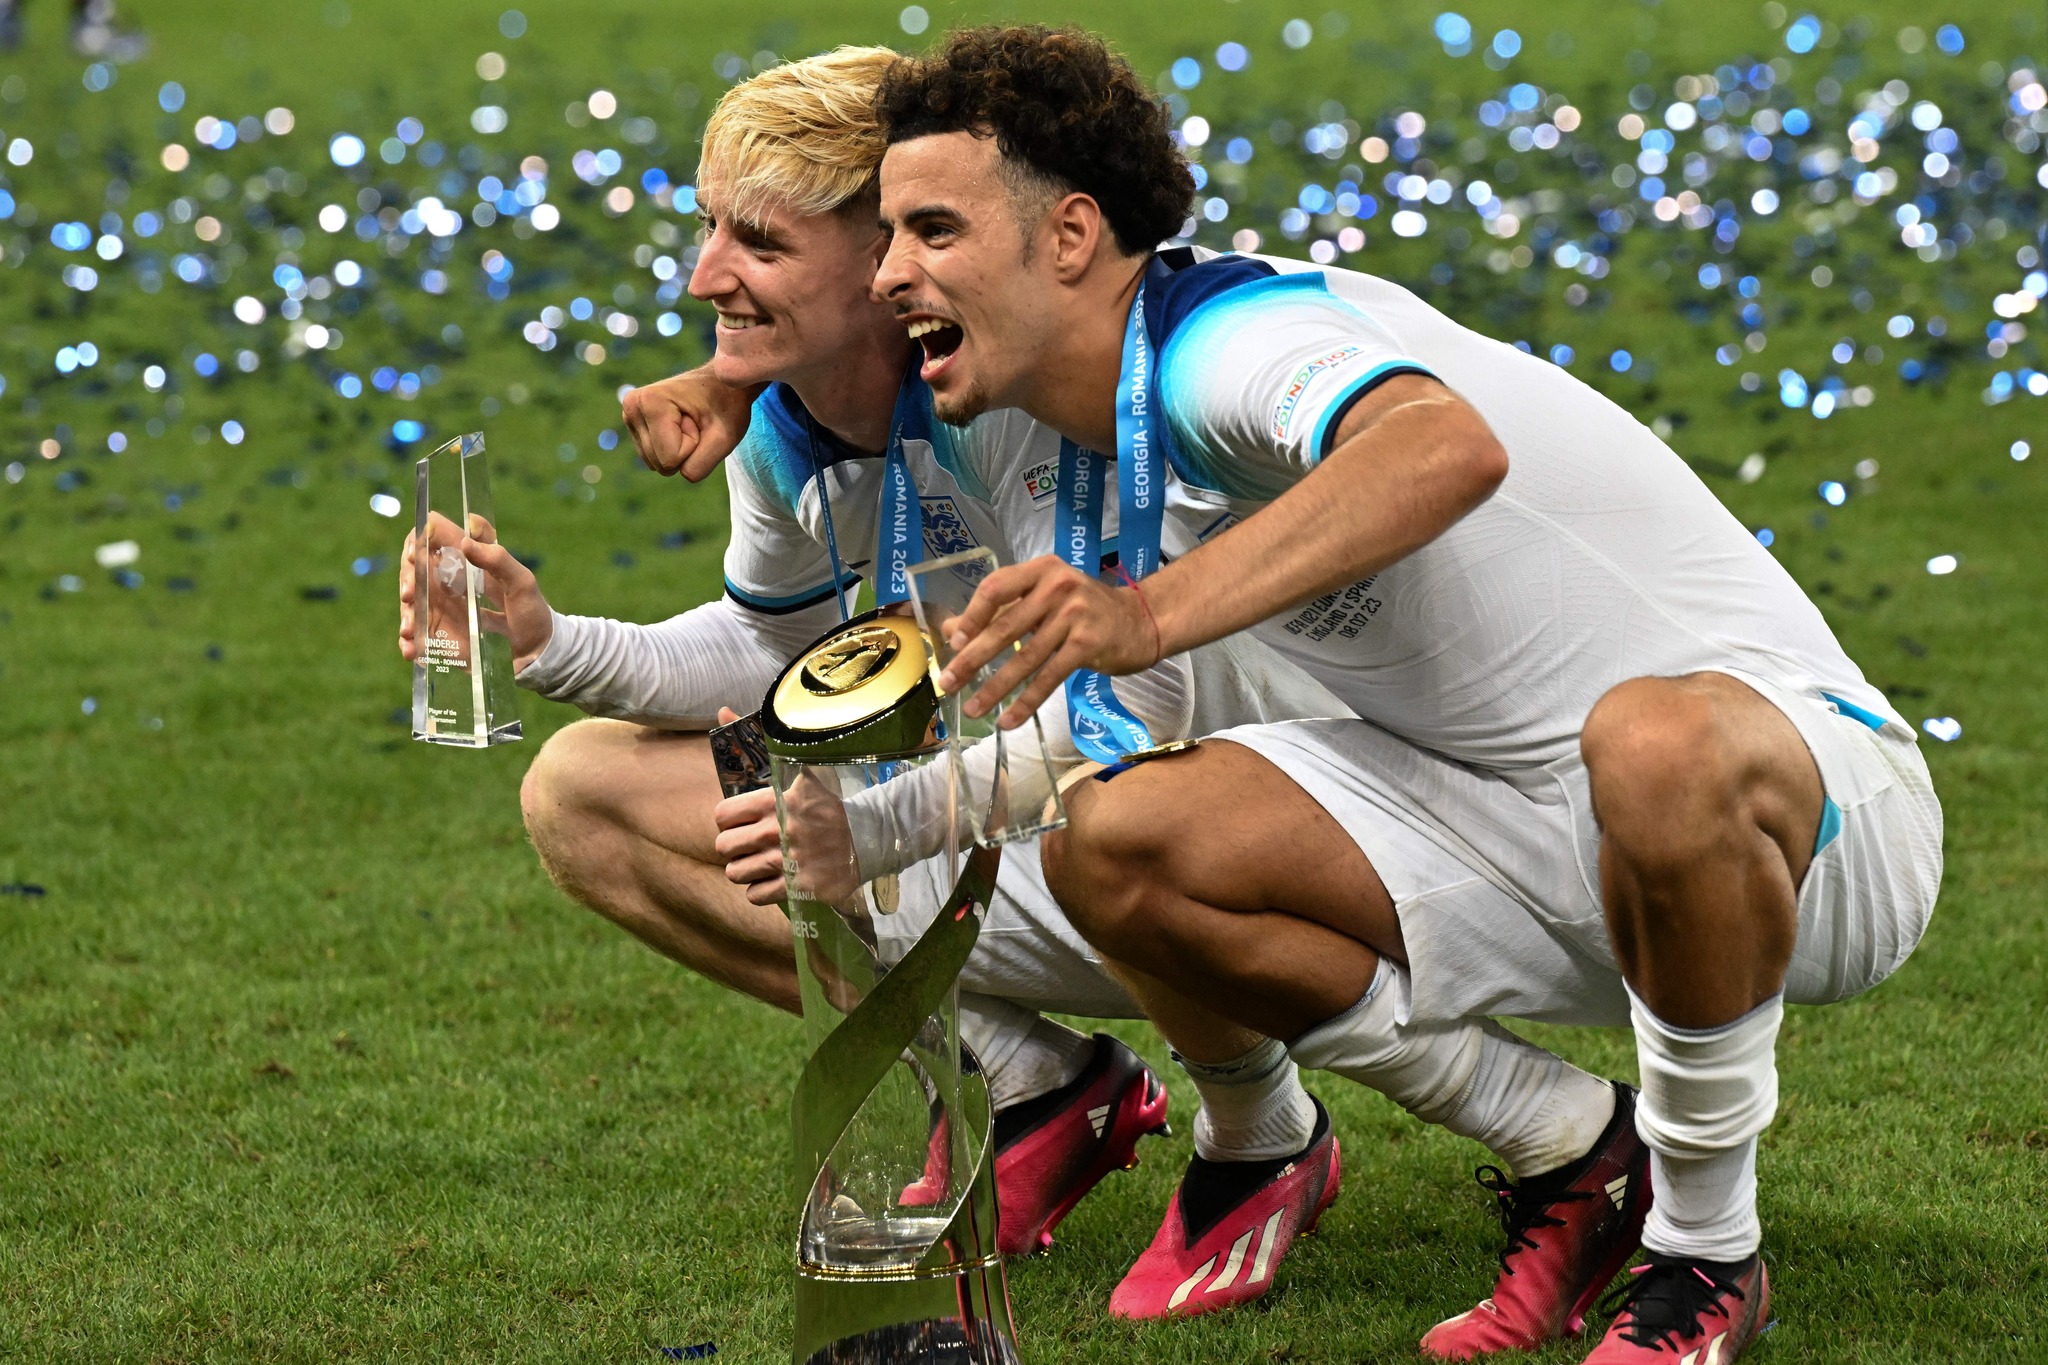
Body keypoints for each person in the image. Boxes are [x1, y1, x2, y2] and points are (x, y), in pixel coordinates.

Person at [866, 26, 1942, 1362]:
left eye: (931, 229)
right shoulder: (1089, 445)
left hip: (1814, 820)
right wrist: (865, 826)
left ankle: (1705, 1255)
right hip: (1506, 820)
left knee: (1649, 734)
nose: (889, 270)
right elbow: (1117, 731)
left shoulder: (1227, 339)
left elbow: (1442, 446)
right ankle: (1576, 1151)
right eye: (883, 235)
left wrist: (1141, 618)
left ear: (1072, 235)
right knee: (1124, 835)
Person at [399, 45, 1351, 1275]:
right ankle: (1032, 1083)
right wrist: (545, 637)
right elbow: (771, 643)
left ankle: (1261, 1123)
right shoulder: (779, 420)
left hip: (1217, 838)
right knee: (585, 791)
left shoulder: (1028, 382)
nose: (704, 277)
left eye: (759, 242)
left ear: (888, 251)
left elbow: (1125, 710)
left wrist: (875, 824)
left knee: (1095, 784)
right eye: (709, 227)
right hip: (1016, 801)